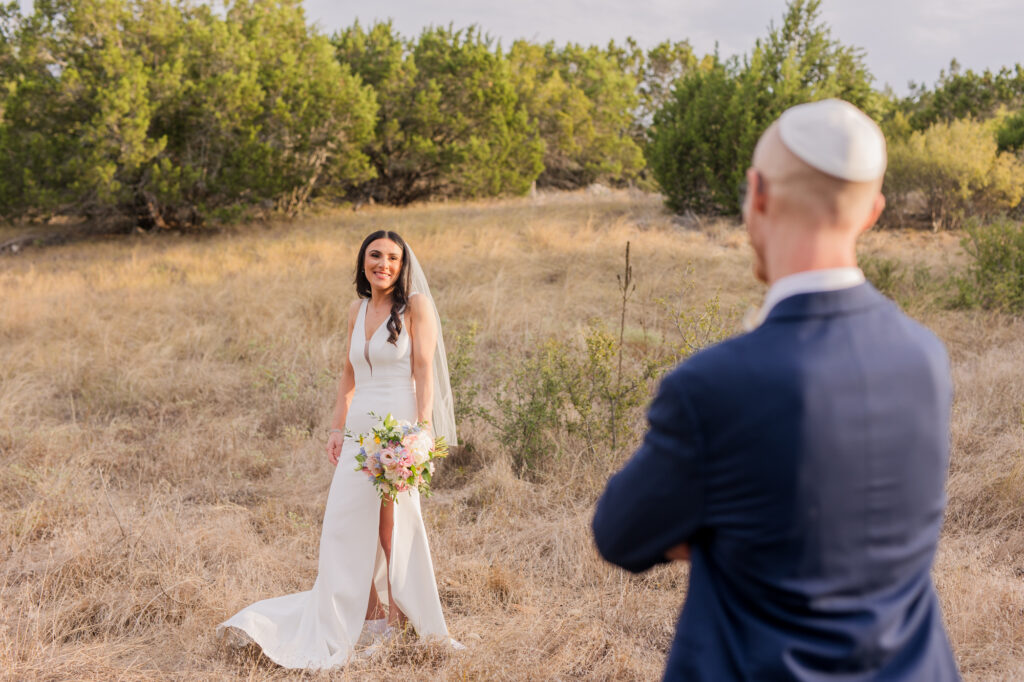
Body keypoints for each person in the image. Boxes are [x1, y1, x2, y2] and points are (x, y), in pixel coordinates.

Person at [592, 99, 960, 680]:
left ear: (757, 194)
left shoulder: (714, 384)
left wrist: (715, 531)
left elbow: (618, 534)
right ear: (874, 212)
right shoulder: (925, 356)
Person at [218, 230, 460, 668]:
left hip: (398, 426)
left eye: (392, 258)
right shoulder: (357, 309)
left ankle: (403, 618)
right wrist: (336, 428)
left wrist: (420, 431)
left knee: (393, 525)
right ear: (362, 262)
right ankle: (366, 616)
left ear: (402, 266)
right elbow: (348, 375)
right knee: (345, 524)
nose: (382, 264)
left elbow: (424, 371)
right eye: (374, 256)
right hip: (360, 427)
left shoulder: (416, 307)